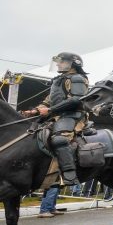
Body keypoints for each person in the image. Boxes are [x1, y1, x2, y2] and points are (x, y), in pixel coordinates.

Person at [23, 52, 89, 186]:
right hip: (56, 116)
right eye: (58, 62)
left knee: (59, 139)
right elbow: (48, 101)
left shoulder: (77, 78)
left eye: (62, 61)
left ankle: (70, 175)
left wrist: (50, 110)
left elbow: (76, 100)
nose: (58, 64)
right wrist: (35, 110)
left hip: (74, 116)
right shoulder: (57, 80)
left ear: (74, 64)